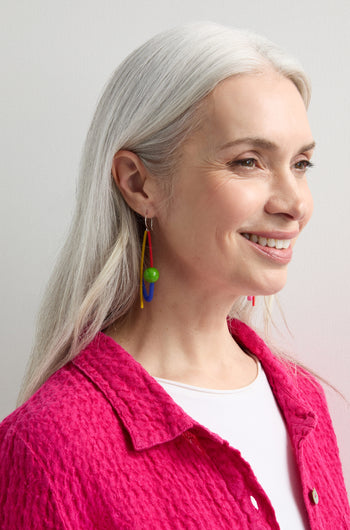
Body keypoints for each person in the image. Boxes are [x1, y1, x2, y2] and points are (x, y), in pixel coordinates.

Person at [0, 22, 348, 530]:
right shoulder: (49, 446)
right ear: (139, 184)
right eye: (248, 161)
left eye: (300, 163)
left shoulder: (304, 401)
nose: (295, 203)